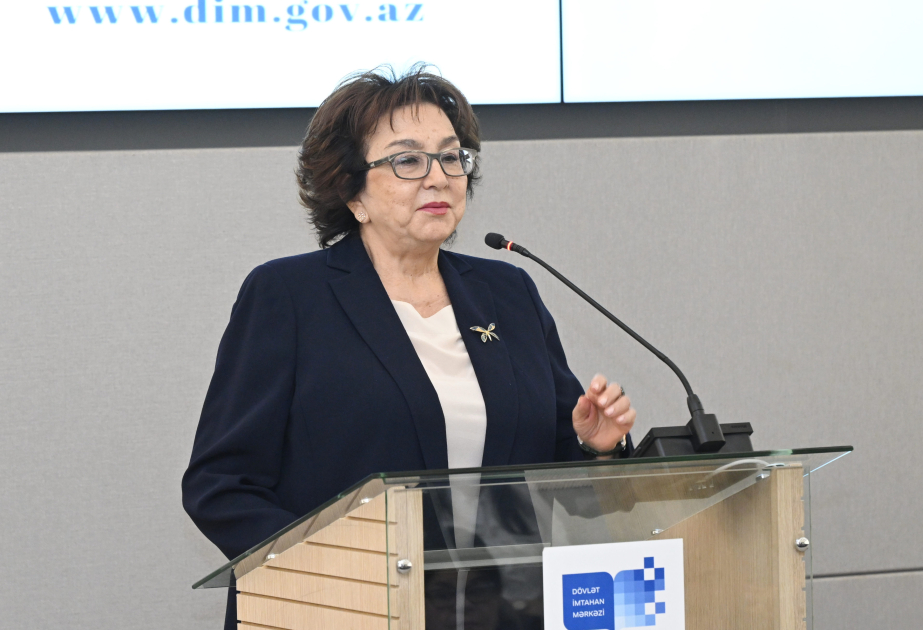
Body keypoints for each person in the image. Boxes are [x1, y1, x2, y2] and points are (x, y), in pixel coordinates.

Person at [182, 65, 636, 630]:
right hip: (340, 612)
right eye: (408, 161)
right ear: (352, 190)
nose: (438, 177)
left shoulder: (508, 293)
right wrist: (334, 570)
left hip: (493, 612)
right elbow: (221, 486)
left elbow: (558, 474)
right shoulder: (290, 296)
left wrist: (595, 447)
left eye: (451, 157)